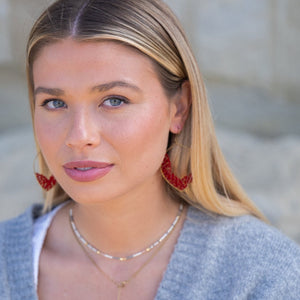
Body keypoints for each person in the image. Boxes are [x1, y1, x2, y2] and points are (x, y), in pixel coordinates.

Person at [1, 0, 300, 299]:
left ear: (179, 108)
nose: (79, 136)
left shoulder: (264, 274)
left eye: (115, 100)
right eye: (55, 103)